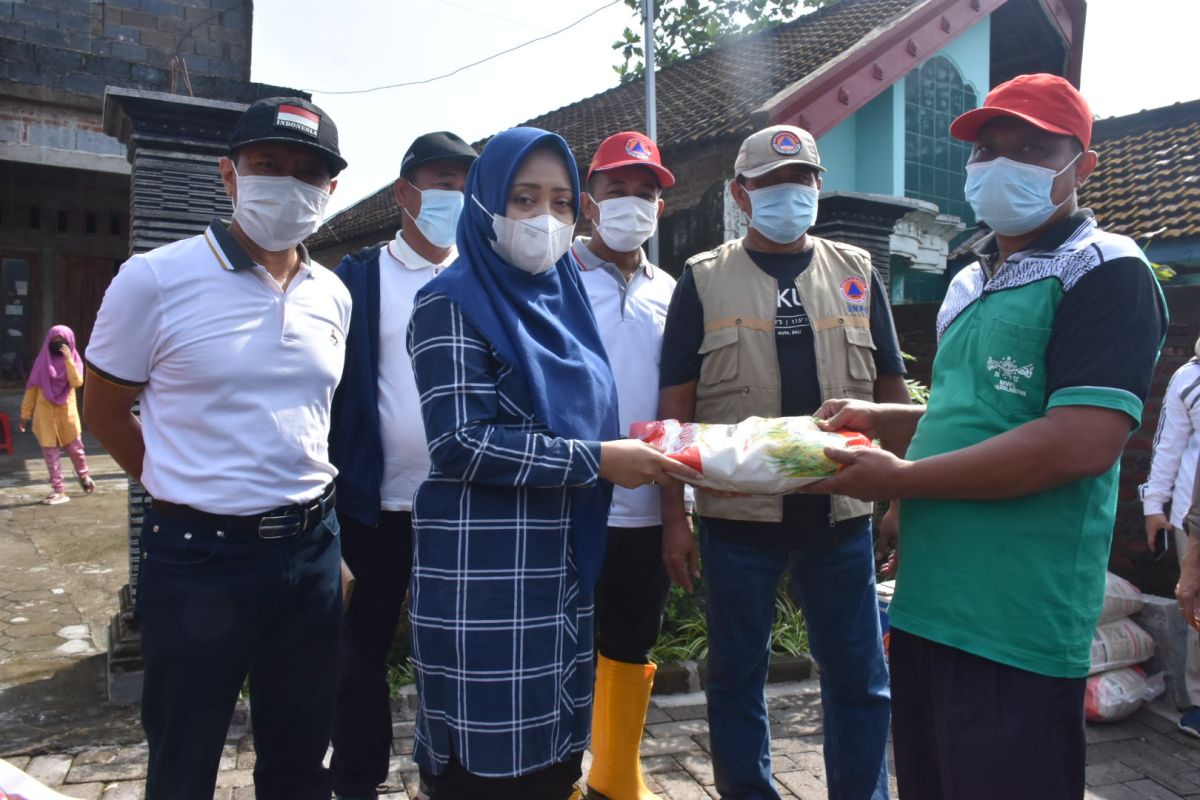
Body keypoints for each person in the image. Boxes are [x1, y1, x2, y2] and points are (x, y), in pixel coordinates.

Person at [807, 74, 1168, 799]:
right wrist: (893, 421)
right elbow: (980, 416)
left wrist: (902, 479)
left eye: (1033, 148)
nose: (1003, 163)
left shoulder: (1105, 270)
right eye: (988, 149)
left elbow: (1079, 442)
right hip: (931, 604)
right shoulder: (973, 279)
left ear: (1082, 165)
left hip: (1016, 619)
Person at [405, 126, 697, 800]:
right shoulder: (451, 303)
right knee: (490, 769)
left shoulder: (560, 304)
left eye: (561, 202)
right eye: (525, 198)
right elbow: (460, 442)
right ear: (486, 205)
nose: (545, 219)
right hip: (490, 578)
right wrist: (597, 461)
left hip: (563, 568)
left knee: (555, 758)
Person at [83, 97, 350, 800]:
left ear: (331, 191)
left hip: (311, 548)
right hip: (200, 559)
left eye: (308, 173)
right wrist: (174, 482)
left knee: (300, 756)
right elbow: (104, 409)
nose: (288, 184)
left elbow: (313, 420)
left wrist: (329, 547)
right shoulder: (155, 279)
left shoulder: (332, 294)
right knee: (184, 753)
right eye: (268, 165)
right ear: (229, 175)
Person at [658, 124, 908, 800]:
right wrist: (673, 521)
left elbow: (891, 393)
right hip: (738, 520)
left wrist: (902, 501)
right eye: (770, 183)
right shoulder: (704, 280)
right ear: (742, 194)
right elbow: (674, 415)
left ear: (818, 187)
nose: (787, 194)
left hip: (843, 515)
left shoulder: (856, 271)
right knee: (736, 678)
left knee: (859, 678)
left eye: (801, 181)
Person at [328, 130, 478, 800]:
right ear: (404, 192)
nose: (453, 196)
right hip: (375, 507)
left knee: (454, 657)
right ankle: (357, 781)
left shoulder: (480, 277)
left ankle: (447, 777)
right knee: (358, 658)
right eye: (440, 182)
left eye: (464, 185)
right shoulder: (358, 279)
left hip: (463, 508)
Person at [570, 130, 680, 800]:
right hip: (571, 499)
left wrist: (677, 515)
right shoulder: (553, 280)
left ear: (661, 210)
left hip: (646, 507)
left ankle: (615, 776)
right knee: (564, 647)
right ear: (590, 202)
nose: (633, 203)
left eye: (646, 193)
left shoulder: (673, 291)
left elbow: (678, 402)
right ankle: (561, 775)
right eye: (618, 190)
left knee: (630, 642)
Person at [1143, 333, 1200, 736]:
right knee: (1196, 610)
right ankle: (1198, 699)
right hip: (1189, 520)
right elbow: (1168, 446)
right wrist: (1152, 506)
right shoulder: (1188, 377)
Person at [19, 324, 95, 505]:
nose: (57, 345)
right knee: (51, 455)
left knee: (77, 451)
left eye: (62, 342)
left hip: (66, 416)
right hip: (45, 416)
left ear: (70, 343)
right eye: (54, 342)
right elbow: (31, 390)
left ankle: (83, 476)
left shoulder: (75, 360)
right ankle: (59, 490)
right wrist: (25, 415)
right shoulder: (41, 362)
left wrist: (68, 359)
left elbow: (76, 382)